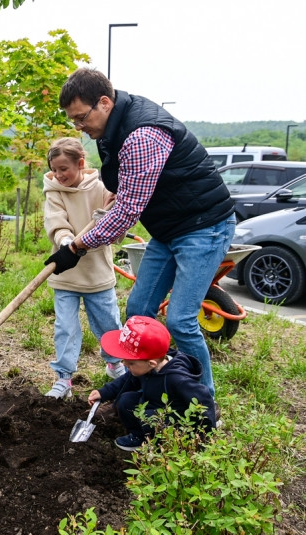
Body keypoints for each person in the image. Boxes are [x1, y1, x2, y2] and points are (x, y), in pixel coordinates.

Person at [47, 68, 236, 397]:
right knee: (138, 311)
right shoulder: (112, 125)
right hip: (168, 229)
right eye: (73, 120)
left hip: (204, 227)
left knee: (180, 320)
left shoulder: (142, 134)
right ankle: (148, 385)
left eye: (80, 118)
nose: (78, 127)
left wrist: (76, 247)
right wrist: (116, 191)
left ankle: (203, 403)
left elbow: (127, 213)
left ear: (104, 103)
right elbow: (129, 182)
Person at [42, 137, 124, 399]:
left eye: (63, 168)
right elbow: (56, 221)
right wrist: (66, 242)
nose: (58, 174)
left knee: (108, 323)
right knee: (65, 328)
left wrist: (110, 215)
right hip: (66, 272)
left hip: (97, 272)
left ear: (80, 163)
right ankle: (63, 378)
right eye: (54, 169)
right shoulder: (54, 190)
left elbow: (117, 224)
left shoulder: (101, 188)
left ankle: (115, 363)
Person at [88, 316, 217, 452]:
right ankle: (139, 437)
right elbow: (126, 380)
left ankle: (160, 445)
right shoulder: (146, 366)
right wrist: (103, 393)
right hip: (153, 405)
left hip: (176, 418)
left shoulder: (177, 378)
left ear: (151, 363)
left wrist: (204, 438)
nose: (124, 364)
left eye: (130, 363)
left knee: (149, 418)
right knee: (126, 401)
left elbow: (204, 401)